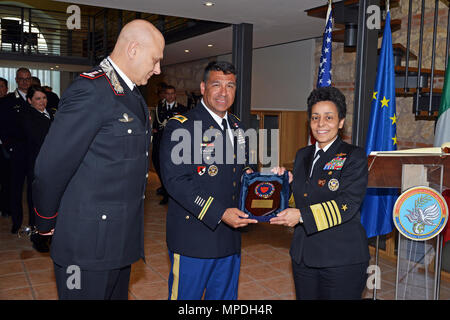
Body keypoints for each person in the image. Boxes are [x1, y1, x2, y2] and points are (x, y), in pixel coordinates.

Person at [32, 19, 165, 300]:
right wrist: (45, 223)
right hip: (85, 245)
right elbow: (51, 168)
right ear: (132, 49)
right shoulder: (90, 91)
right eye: (155, 60)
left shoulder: (130, 94)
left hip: (118, 239)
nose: (158, 69)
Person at [160, 61, 258, 300]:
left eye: (230, 86)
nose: (224, 92)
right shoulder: (181, 127)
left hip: (229, 238)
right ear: (203, 87)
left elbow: (246, 168)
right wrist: (220, 212)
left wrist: (268, 182)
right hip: (194, 237)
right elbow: (177, 181)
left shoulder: (238, 127)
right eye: (217, 85)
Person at [270, 86, 370, 300]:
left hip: (341, 258)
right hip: (303, 255)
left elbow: (348, 204)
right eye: (315, 117)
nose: (321, 124)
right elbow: (301, 197)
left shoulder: (354, 156)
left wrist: (301, 216)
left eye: (329, 117)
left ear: (341, 122)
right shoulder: (302, 155)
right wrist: (283, 185)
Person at [0, 68, 32, 233]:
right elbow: (3, 127)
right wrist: (10, 147)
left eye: (27, 78)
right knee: (16, 189)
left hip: (35, 153)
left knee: (34, 190)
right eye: (22, 79)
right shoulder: (7, 101)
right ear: (16, 80)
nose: (25, 82)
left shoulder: (38, 98)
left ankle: (35, 223)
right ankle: (16, 222)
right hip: (17, 152)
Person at [22, 86, 53, 252]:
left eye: (44, 98)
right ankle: (38, 238)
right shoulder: (28, 117)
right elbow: (39, 139)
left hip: (52, 165)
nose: (42, 102)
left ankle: (49, 234)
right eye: (38, 99)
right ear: (30, 101)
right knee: (37, 202)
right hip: (37, 165)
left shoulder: (50, 114)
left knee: (50, 202)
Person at [152, 85, 187, 204]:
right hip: (160, 143)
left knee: (170, 170)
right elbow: (156, 126)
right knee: (157, 164)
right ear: (165, 95)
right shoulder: (159, 108)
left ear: (175, 95)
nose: (170, 96)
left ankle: (168, 194)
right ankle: (164, 187)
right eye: (168, 93)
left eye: (172, 93)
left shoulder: (182, 109)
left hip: (174, 145)